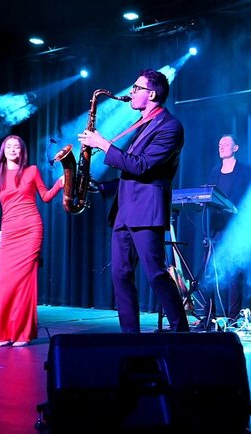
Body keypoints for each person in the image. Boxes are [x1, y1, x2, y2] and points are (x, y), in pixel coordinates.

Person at [77, 68, 189, 333]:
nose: (131, 92)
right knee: (120, 275)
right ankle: (131, 337)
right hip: (124, 213)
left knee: (156, 274)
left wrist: (103, 144)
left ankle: (181, 332)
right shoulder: (144, 124)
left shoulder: (170, 126)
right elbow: (131, 174)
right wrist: (102, 187)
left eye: (137, 88)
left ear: (152, 94)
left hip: (146, 213)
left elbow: (142, 166)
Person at [0, 134, 64, 347]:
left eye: (17, 147)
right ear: (3, 151)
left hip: (31, 230)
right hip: (9, 233)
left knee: (24, 282)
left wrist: (60, 184)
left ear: (22, 151)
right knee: (5, 283)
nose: (13, 150)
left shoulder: (31, 171)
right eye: (9, 147)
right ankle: (5, 332)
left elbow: (45, 196)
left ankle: (22, 333)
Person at [201, 134, 251, 328]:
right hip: (216, 228)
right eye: (219, 144)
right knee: (209, 271)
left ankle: (233, 317)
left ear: (235, 148)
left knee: (234, 274)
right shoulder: (214, 171)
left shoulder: (246, 171)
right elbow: (208, 195)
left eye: (226, 144)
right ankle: (209, 315)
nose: (221, 147)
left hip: (236, 228)